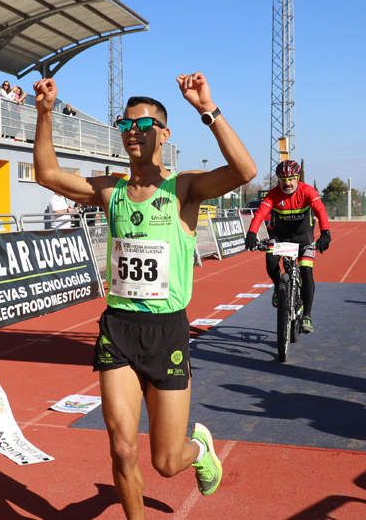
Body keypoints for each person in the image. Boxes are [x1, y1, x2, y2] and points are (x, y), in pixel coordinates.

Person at [31, 72, 256, 517]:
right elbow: (47, 174)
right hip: (119, 327)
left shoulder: (184, 188)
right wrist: (44, 114)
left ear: (164, 133)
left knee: (167, 462)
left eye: (143, 124)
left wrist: (206, 109)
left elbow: (245, 172)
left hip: (166, 330)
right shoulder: (111, 189)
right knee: (121, 448)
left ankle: (199, 448)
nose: (133, 131)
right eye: (126, 124)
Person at [244, 159, 331, 333]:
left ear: (298, 178)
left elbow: (320, 211)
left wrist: (326, 233)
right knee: (270, 261)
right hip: (281, 238)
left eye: (291, 179)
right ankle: (278, 288)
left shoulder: (307, 191)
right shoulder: (273, 194)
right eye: (283, 179)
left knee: (306, 270)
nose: (288, 183)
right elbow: (261, 213)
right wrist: (252, 233)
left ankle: (307, 315)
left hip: (303, 239)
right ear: (278, 179)